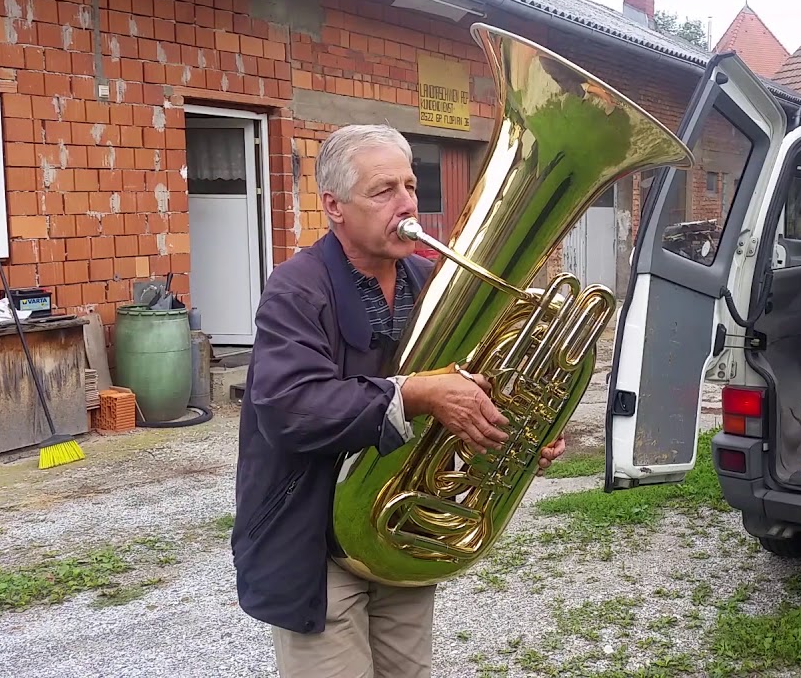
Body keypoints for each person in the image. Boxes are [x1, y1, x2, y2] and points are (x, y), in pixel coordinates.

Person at [230, 124, 568, 678]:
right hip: (312, 538)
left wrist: (519, 429)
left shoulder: (429, 279)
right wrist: (414, 393)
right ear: (334, 207)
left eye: (410, 186)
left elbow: (473, 387)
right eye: (383, 190)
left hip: (399, 527)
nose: (407, 203)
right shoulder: (296, 288)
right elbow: (289, 407)